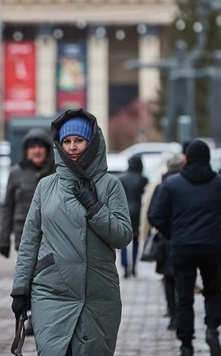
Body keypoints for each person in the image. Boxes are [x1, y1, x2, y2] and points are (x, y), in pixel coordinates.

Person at [11, 109, 132, 356]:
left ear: (92, 142)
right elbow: (30, 240)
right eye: (66, 141)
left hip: (97, 294)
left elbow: (123, 236)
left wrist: (94, 207)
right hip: (52, 291)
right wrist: (21, 288)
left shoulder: (109, 185)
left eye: (79, 140)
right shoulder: (46, 186)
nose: (73, 147)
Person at [149, 140, 221, 356]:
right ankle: (212, 329)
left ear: (186, 158)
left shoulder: (172, 184)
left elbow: (155, 216)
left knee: (184, 297)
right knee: (213, 291)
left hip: (182, 247)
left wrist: (172, 234)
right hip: (211, 247)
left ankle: (186, 344)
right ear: (208, 158)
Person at [0, 128, 55, 257]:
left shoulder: (56, 171)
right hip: (24, 235)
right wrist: (4, 240)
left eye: (41, 146)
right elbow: (7, 207)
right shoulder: (16, 173)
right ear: (26, 151)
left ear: (47, 149)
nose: (37, 151)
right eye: (32, 147)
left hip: (53, 235)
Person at [144, 153, 184, 331]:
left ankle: (173, 315)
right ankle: (183, 315)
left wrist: (164, 230)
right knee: (183, 277)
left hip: (166, 240)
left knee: (168, 279)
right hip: (184, 238)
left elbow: (152, 214)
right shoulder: (187, 185)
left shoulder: (161, 187)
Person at [118, 155, 148, 278]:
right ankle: (134, 266)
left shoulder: (122, 178)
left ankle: (125, 266)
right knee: (136, 240)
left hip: (124, 211)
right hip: (138, 212)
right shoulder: (143, 179)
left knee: (124, 241)